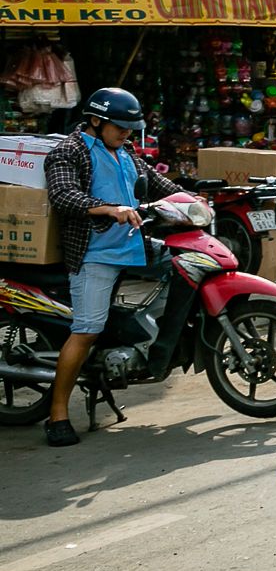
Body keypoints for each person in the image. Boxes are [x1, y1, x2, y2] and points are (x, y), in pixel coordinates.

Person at [38, 88, 183, 447]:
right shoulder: (69, 152)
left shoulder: (127, 151)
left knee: (186, 267)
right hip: (93, 254)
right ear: (96, 120)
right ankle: (57, 414)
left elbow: (159, 183)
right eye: (120, 127)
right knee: (87, 330)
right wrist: (107, 208)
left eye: (131, 128)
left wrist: (192, 198)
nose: (126, 134)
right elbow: (64, 194)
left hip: (134, 245)